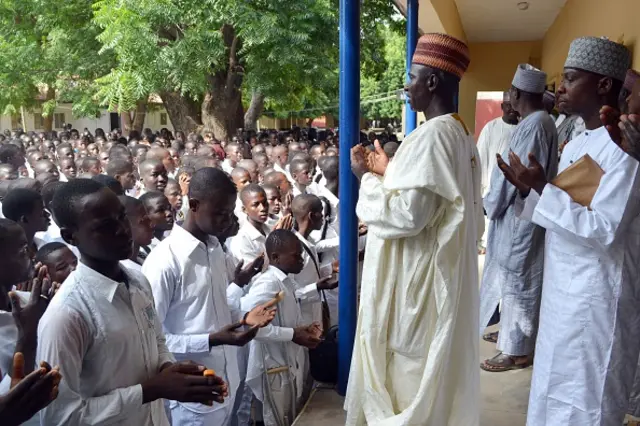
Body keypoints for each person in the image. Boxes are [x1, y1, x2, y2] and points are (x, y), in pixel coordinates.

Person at [497, 36, 640, 426]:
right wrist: (534, 189)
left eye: (572, 78)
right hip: (563, 295)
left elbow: (603, 229)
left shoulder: (625, 148)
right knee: (550, 389)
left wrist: (542, 191)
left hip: (598, 299)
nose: (560, 87)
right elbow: (563, 213)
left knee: (586, 402)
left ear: (604, 85)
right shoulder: (578, 139)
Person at [346, 33, 482, 425]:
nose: (406, 86)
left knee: (408, 380)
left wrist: (365, 180)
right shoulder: (459, 133)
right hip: (430, 278)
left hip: (417, 285)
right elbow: (434, 199)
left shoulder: (434, 135)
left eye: (411, 76)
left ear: (433, 81)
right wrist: (386, 174)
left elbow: (410, 215)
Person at [37, 178, 230, 425]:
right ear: (70, 236)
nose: (122, 229)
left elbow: (156, 339)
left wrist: (171, 370)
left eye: (121, 217)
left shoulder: (138, 280)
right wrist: (150, 390)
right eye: (105, 226)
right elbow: (59, 417)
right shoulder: (66, 315)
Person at [141, 167, 275, 426]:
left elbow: (217, 306)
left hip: (228, 380)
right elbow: (151, 341)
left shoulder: (215, 249)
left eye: (230, 213)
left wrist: (244, 319)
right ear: (193, 205)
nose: (226, 221)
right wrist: (211, 340)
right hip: (191, 394)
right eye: (220, 213)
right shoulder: (164, 262)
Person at [479, 64, 558, 372]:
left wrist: (492, 203)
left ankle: (517, 351)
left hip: (520, 215)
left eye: (511, 92)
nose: (509, 97)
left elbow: (514, 175)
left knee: (518, 282)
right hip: (522, 214)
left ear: (518, 94)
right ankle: (512, 340)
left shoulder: (535, 125)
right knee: (514, 281)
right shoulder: (538, 121)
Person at [241, 230, 323, 426]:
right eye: (296, 255)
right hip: (273, 368)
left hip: (287, 363)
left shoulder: (285, 280)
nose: (302, 259)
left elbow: (285, 317)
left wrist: (303, 329)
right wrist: (293, 334)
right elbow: (251, 327)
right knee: (277, 420)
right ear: (276, 257)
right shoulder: (267, 283)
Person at [290, 194, 336, 326]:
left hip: (314, 317)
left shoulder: (309, 241)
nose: (323, 216)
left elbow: (308, 274)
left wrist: (330, 268)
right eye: (320, 212)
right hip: (302, 321)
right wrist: (316, 287)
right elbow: (291, 293)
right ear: (311, 216)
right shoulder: (292, 247)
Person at [2, 188, 51, 254]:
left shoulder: (43, 243)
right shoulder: (7, 255)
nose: (48, 214)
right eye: (42, 212)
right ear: (24, 219)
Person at [118, 195, 154, 271]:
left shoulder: (143, 257)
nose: (152, 224)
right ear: (126, 223)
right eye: (144, 220)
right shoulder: (126, 269)